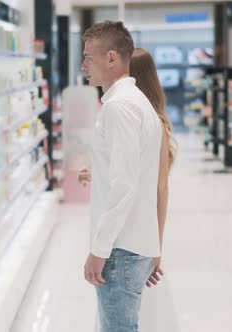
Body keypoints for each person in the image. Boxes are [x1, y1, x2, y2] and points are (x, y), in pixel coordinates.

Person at [77, 21, 174, 331]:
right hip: (135, 246)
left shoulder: (119, 108)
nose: (83, 66)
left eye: (88, 57)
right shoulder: (139, 104)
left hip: (120, 250)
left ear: (111, 58)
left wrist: (99, 250)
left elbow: (125, 186)